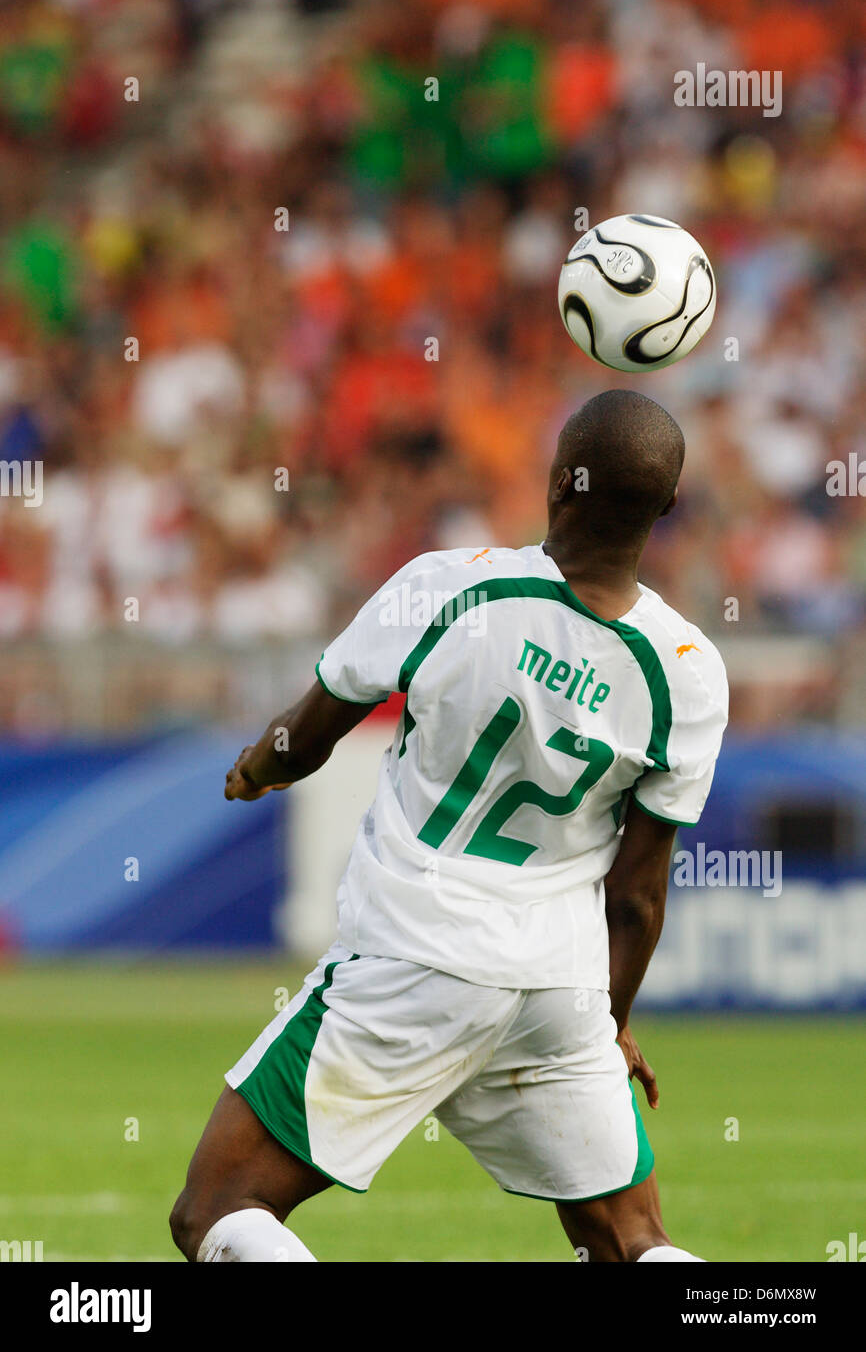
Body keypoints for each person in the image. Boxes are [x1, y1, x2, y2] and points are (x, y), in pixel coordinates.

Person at [170, 388, 728, 1263]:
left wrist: (255, 766)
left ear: (555, 486)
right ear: (665, 509)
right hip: (559, 992)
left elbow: (307, 735)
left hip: (412, 958)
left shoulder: (448, 586)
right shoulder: (689, 672)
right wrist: (610, 1024)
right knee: (632, 1243)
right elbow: (639, 896)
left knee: (217, 1210)